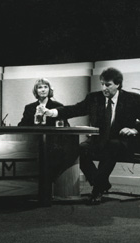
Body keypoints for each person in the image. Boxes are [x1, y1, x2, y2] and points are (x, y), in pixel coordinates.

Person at [44, 67, 140, 205]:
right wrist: (53, 112)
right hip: (99, 140)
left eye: (108, 85)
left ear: (118, 84)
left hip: (123, 142)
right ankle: (100, 184)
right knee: (79, 149)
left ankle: (97, 191)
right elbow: (74, 109)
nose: (104, 88)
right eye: (102, 84)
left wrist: (135, 130)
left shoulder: (133, 99)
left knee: (112, 146)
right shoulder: (94, 98)